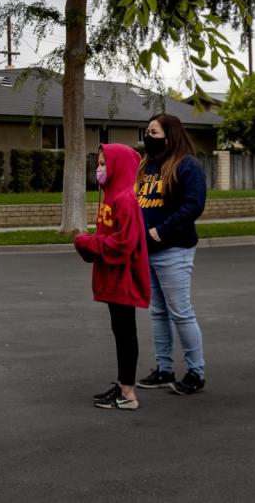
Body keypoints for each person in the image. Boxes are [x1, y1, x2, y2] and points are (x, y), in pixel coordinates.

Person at [134, 114, 208, 395]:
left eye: (153, 131)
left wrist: (161, 231)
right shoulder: (148, 165)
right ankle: (164, 369)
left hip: (173, 249)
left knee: (181, 312)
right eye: (147, 131)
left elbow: (193, 205)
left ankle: (196, 372)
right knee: (158, 312)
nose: (148, 136)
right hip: (146, 251)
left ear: (170, 135)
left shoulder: (187, 165)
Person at [74, 144, 151, 411]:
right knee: (120, 330)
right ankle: (122, 385)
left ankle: (128, 393)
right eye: (99, 163)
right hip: (111, 276)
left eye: (104, 164)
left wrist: (88, 243)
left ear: (119, 166)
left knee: (125, 331)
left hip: (124, 278)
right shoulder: (109, 197)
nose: (99, 169)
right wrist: (90, 245)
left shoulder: (124, 199)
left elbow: (125, 243)